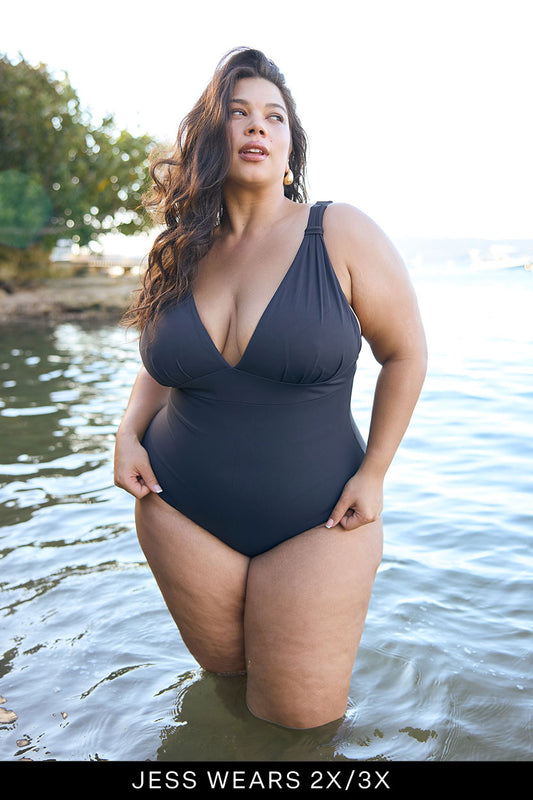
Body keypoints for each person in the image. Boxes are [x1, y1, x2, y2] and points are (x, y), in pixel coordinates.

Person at [114, 47, 427, 730]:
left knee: (300, 730)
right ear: (209, 137)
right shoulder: (176, 251)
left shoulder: (337, 232)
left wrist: (375, 473)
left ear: (289, 145)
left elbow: (405, 354)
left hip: (320, 523)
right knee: (227, 704)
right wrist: (126, 433)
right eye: (237, 113)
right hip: (179, 514)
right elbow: (163, 360)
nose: (256, 126)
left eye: (273, 116)